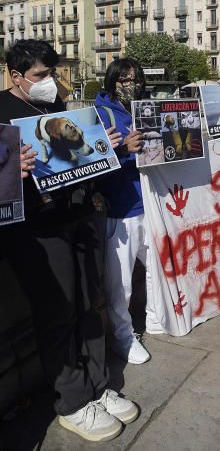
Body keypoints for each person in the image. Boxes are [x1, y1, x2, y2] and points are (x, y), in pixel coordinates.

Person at [0, 40, 138, 442]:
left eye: (51, 74)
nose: (49, 83)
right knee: (56, 315)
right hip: (36, 232)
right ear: (15, 75)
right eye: (40, 76)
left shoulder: (60, 109)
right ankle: (73, 402)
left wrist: (102, 150)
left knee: (88, 307)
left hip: (77, 218)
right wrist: (13, 168)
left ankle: (98, 385)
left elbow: (77, 163)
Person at [95, 59, 160, 366]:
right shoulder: (98, 114)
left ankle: (156, 317)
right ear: (111, 81)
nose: (130, 84)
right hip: (119, 210)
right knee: (120, 284)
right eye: (123, 79)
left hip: (151, 204)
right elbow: (89, 166)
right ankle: (123, 336)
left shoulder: (146, 108)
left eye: (134, 79)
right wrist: (123, 152)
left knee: (160, 267)